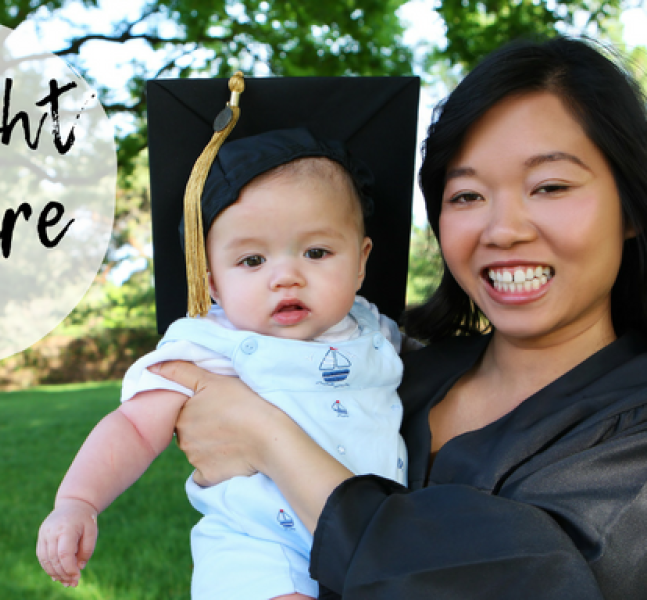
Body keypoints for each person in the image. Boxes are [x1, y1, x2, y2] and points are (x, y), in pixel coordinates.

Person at [150, 36, 647, 599]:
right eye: (466, 195)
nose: (503, 229)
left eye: (550, 186)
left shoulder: (632, 429)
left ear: (630, 205)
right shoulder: (396, 368)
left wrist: (268, 440)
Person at [36, 127, 410, 600]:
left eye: (316, 252)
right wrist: (78, 500)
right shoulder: (211, 341)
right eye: (252, 260)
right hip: (258, 545)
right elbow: (132, 427)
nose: (286, 276)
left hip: (370, 537)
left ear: (360, 261)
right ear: (212, 282)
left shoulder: (375, 331)